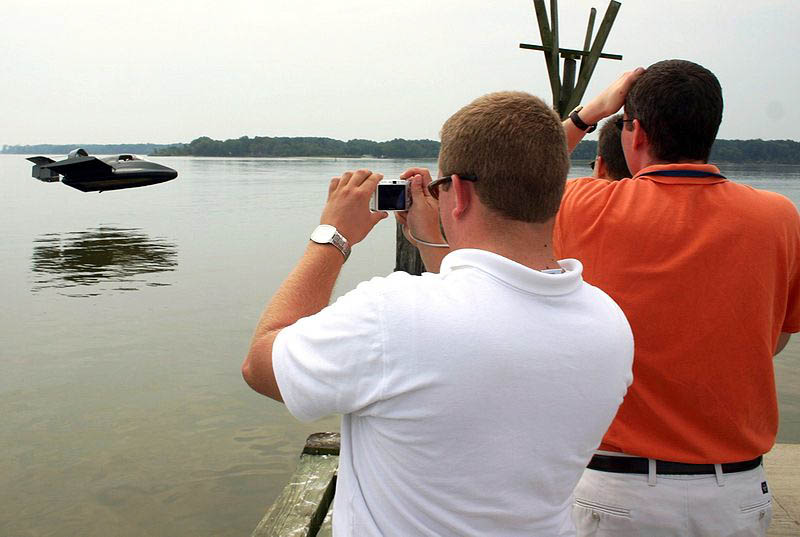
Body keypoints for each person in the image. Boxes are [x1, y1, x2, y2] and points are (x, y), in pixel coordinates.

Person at [242, 91, 634, 536]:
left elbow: (261, 364)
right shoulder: (609, 323)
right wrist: (432, 241)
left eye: (442, 186)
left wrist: (333, 236)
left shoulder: (392, 316)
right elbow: (484, 312)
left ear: (460, 192)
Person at [557, 60, 800, 536]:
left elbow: (513, 177)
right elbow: (774, 340)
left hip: (618, 490)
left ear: (637, 133)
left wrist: (588, 114)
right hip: (736, 492)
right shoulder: (779, 218)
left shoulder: (585, 206)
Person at [590, 113, 630, 180]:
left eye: (593, 166)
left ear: (601, 167)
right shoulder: (651, 188)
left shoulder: (580, 189)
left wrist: (580, 120)